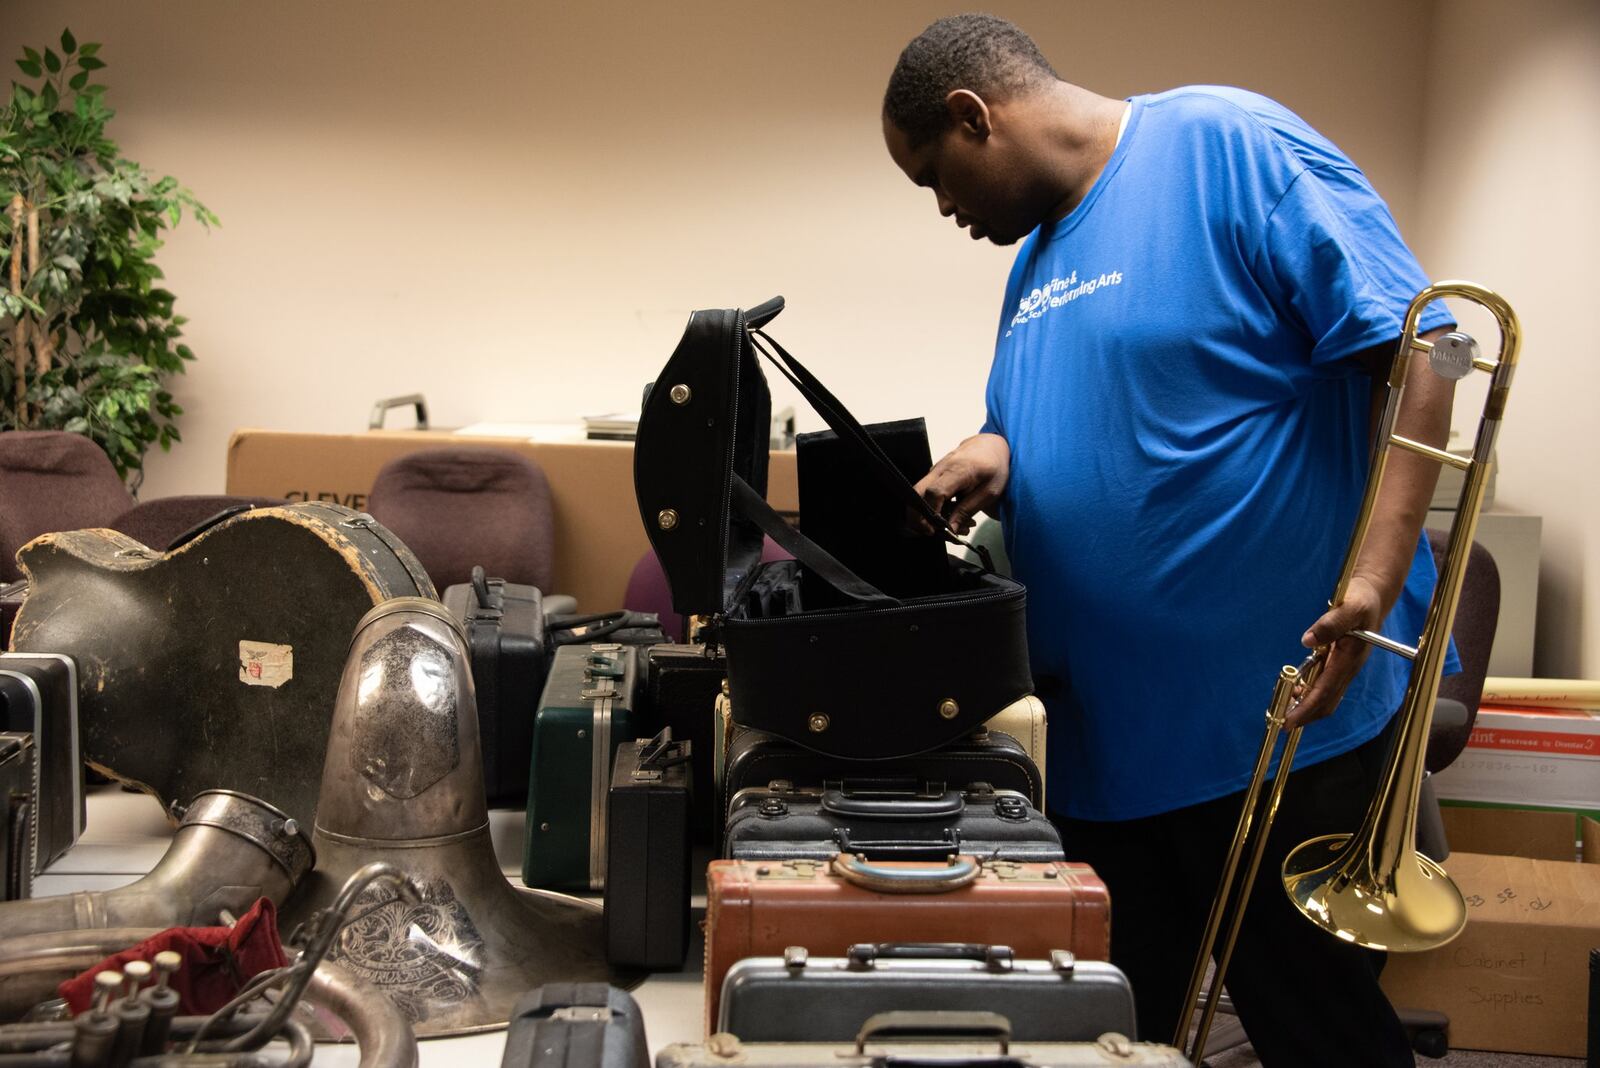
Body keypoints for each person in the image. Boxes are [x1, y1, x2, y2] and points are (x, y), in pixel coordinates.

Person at [882, 15, 1457, 1068]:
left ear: (975, 115)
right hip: (1113, 741)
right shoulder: (1041, 258)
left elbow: (1424, 347)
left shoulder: (1222, 144)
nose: (944, 209)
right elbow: (1050, 417)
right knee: (1106, 1030)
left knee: (1313, 1026)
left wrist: (1373, 582)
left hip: (1274, 717)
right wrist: (987, 452)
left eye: (935, 176)